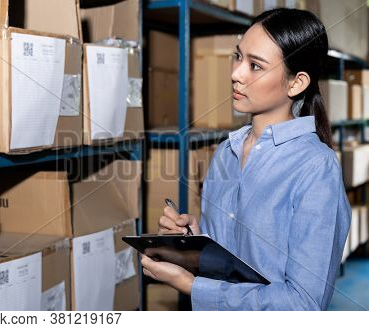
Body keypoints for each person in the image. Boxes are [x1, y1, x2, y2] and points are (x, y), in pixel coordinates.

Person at [141, 8, 351, 311]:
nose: (236, 73)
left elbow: (302, 305)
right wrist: (193, 242)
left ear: (296, 83)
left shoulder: (316, 168)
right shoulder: (227, 152)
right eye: (238, 57)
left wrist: (189, 284)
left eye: (255, 66)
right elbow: (232, 262)